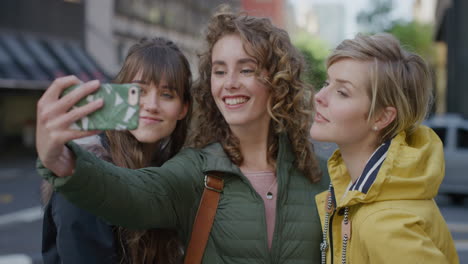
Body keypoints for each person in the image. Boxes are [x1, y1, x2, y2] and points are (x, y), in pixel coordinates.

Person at [36, 9, 329, 263]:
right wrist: (65, 163)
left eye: (247, 69)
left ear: (278, 81)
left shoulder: (321, 173)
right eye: (219, 70)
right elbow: (129, 194)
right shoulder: (194, 168)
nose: (230, 83)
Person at [310, 33, 459, 264]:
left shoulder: (386, 222)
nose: (319, 97)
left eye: (342, 92)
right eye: (326, 83)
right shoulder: (359, 194)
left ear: (382, 116)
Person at [40, 37, 192, 264]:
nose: (151, 104)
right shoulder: (85, 172)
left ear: (183, 109)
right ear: (119, 93)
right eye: (139, 91)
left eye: (167, 94)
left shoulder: (174, 169)